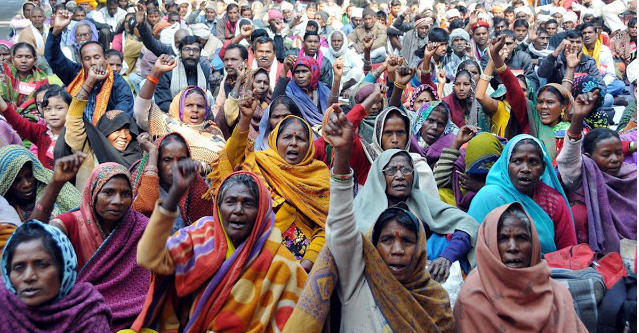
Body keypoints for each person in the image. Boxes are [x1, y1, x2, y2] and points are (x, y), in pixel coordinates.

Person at [281, 109, 455, 333]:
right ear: (372, 243)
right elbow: (341, 224)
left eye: (408, 241)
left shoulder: (436, 300)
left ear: (421, 246)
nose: (398, 250)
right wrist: (342, 153)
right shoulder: (356, 279)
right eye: (387, 240)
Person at [132, 166, 306, 332]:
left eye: (248, 204)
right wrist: (174, 195)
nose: (238, 210)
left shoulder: (282, 264)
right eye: (230, 202)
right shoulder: (201, 235)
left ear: (261, 211)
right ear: (218, 207)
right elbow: (149, 258)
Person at [208, 99, 330, 271]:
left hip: (300, 264)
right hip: (251, 253)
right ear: (274, 140)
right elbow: (231, 158)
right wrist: (245, 119)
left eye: (300, 138)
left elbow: (325, 228)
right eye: (287, 137)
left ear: (309, 144)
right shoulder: (259, 162)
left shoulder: (320, 176)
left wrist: (305, 266)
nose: (293, 143)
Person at [32, 159, 150, 332]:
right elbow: (34, 237)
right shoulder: (70, 223)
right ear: (92, 193)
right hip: (79, 313)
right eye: (108, 192)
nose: (118, 201)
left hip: (134, 316)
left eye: (125, 194)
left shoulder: (139, 226)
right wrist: (55, 185)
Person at [454, 203, 588, 333]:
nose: (513, 247)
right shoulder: (473, 298)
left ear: (534, 243)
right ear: (489, 244)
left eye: (521, 238)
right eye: (503, 238)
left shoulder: (558, 296)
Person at [468, 134, 577, 255]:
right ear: (506, 165)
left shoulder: (554, 202)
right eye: (517, 161)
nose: (525, 169)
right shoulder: (487, 198)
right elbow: (473, 246)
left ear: (543, 168)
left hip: (547, 271)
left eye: (533, 162)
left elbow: (568, 252)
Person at [557, 91, 637, 252]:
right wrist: (578, 118)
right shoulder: (582, 175)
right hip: (596, 257)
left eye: (618, 153)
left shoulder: (632, 175)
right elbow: (568, 160)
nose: (614, 159)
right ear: (588, 157)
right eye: (606, 155)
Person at [0, 221, 112, 333]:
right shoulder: (4, 300)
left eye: (42, 265)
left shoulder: (86, 311)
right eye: (19, 267)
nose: (28, 277)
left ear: (64, 268)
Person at [135, 55, 226, 167]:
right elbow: (140, 111)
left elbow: (221, 163)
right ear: (178, 106)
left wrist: (197, 167)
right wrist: (155, 74)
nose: (195, 110)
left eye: (200, 106)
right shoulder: (164, 122)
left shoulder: (213, 132)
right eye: (189, 105)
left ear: (207, 111)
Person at [46, 10, 134, 123]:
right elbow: (53, 58)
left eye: (97, 57)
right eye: (87, 59)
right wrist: (56, 31)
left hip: (105, 135)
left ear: (106, 59)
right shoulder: (75, 73)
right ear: (81, 62)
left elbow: (122, 114)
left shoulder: (118, 83)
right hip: (75, 132)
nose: (92, 62)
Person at [131, 132, 213, 234]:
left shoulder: (196, 188)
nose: (175, 166)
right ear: (157, 161)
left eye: (181, 159)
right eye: (167, 160)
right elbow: (145, 208)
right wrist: (152, 152)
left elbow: (208, 228)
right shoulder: (147, 184)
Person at [0, 145, 81, 223]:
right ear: (7, 182)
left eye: (29, 175)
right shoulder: (4, 207)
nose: (26, 184)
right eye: (17, 180)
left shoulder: (52, 185)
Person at [0, 86, 71, 169]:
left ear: (70, 109)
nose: (53, 113)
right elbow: (18, 123)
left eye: (59, 108)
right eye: (48, 109)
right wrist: (2, 104)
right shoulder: (39, 132)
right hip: (46, 181)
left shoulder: (75, 132)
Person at [434, 130, 505, 212]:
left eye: (485, 175)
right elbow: (437, 182)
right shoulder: (461, 164)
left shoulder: (508, 168)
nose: (481, 177)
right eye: (476, 175)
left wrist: (480, 186)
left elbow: (508, 194)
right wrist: (457, 143)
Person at [271, 55, 341, 127]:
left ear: (313, 72)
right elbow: (275, 101)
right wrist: (285, 70)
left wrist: (337, 78)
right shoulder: (290, 89)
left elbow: (332, 108)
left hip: (325, 128)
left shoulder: (322, 89)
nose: (300, 75)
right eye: (297, 72)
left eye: (304, 71)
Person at [153, 36, 209, 112]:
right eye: (187, 49)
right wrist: (184, 113)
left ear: (200, 53)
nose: (191, 53)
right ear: (180, 52)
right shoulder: (168, 69)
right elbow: (163, 103)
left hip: (197, 114)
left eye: (196, 50)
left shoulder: (204, 70)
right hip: (172, 115)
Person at [0, 43, 49, 120]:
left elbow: (43, 105)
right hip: (3, 118)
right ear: (12, 59)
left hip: (31, 119)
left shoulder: (42, 80)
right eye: (19, 57)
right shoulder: (4, 75)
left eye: (28, 57)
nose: (23, 61)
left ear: (35, 60)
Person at [409, 101, 459, 169]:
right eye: (430, 121)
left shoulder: (451, 146)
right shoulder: (407, 143)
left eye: (441, 124)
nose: (435, 127)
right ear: (419, 121)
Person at [17, 7, 51, 75]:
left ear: (44, 18)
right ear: (30, 19)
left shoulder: (49, 29)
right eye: (34, 17)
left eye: (40, 17)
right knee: (41, 61)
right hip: (36, 61)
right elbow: (30, 52)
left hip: (50, 56)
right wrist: (48, 50)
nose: (37, 19)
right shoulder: (26, 33)